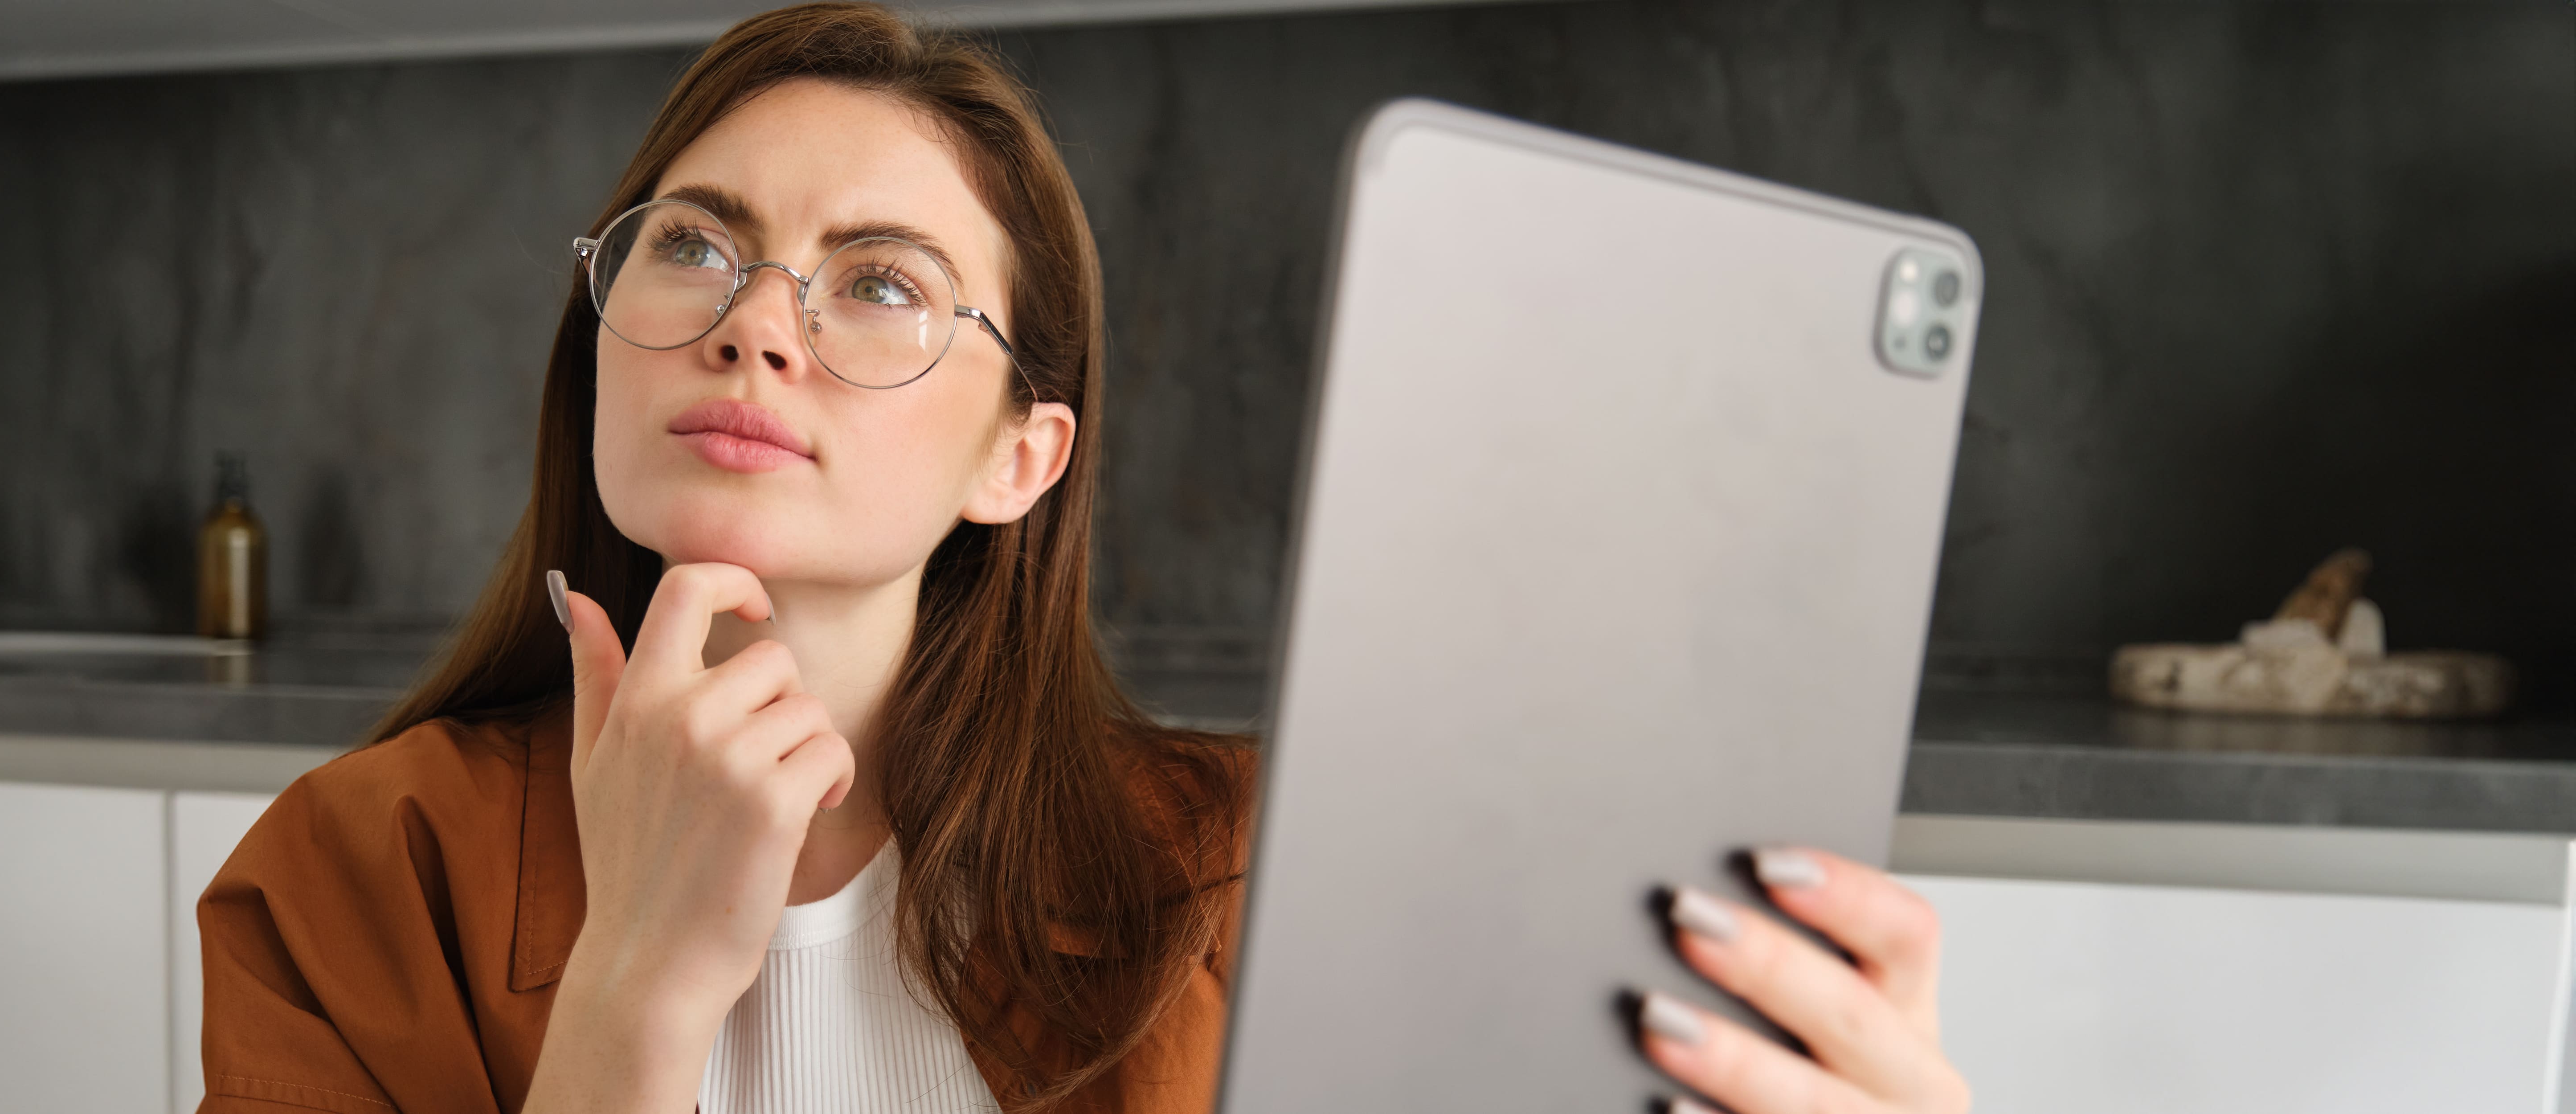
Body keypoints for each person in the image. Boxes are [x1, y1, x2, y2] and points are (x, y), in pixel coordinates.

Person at [194, 6, 1971, 1114]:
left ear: (1019, 457)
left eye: (881, 282)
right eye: (693, 247)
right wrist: (634, 1000)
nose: (756, 325)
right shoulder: (348, 876)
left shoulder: (1248, 882)